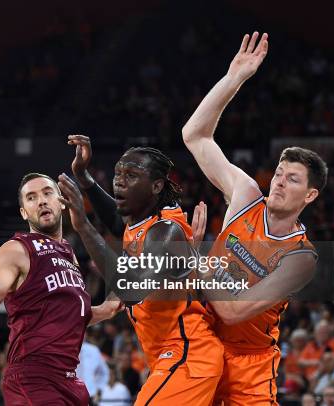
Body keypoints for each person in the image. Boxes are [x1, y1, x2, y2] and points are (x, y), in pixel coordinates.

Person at [181, 31, 325, 405]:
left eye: (292, 179)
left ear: (309, 196)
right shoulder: (246, 195)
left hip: (250, 364)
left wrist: (195, 260)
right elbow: (195, 136)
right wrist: (234, 79)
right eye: (279, 173)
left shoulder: (301, 256)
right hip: (202, 343)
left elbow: (234, 311)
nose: (278, 182)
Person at [0, 173, 123, 405]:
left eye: (47, 193)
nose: (42, 201)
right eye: (32, 197)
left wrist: (105, 310)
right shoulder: (16, 249)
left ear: (60, 202)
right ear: (24, 212)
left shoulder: (69, 253)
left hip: (69, 380)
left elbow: (64, 314)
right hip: (34, 376)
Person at [64, 135, 223, 405]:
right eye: (118, 174)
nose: (119, 181)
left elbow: (132, 289)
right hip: (170, 357)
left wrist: (83, 225)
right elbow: (116, 222)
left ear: (157, 186)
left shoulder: (166, 231)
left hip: (187, 355)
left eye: (131, 175)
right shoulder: (142, 224)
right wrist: (83, 175)